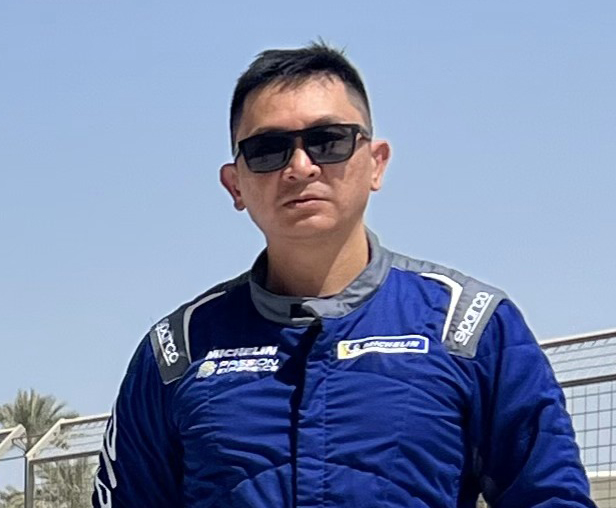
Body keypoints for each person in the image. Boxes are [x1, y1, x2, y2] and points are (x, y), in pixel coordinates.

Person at [92, 42, 595, 508]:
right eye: (268, 149)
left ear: (376, 163)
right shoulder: (177, 351)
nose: (300, 167)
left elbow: (551, 497)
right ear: (235, 184)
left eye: (328, 141)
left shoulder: (467, 327)